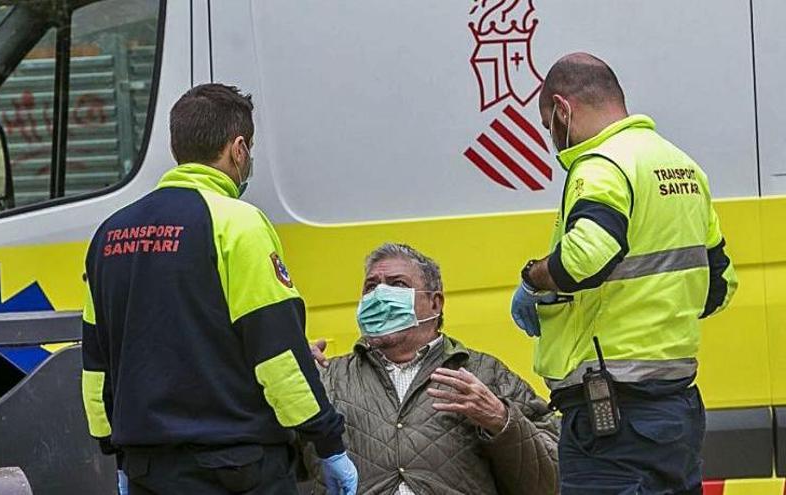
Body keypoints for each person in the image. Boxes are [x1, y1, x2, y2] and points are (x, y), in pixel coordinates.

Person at [80, 83, 358, 495]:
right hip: (237, 468)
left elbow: (95, 364)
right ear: (238, 148)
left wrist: (115, 452)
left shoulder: (110, 234)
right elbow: (276, 354)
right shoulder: (238, 224)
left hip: (148, 470)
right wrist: (328, 442)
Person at [510, 53, 739, 494]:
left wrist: (533, 279)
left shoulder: (601, 164)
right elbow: (718, 285)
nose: (552, 139)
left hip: (612, 421)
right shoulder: (683, 167)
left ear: (563, 109)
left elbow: (583, 260)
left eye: (547, 126)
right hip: (675, 412)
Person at [305, 243, 559, 495]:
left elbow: (554, 477)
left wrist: (501, 420)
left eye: (397, 284)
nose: (380, 294)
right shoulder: (329, 376)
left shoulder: (485, 373)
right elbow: (278, 463)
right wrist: (288, 381)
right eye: (371, 286)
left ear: (435, 303)